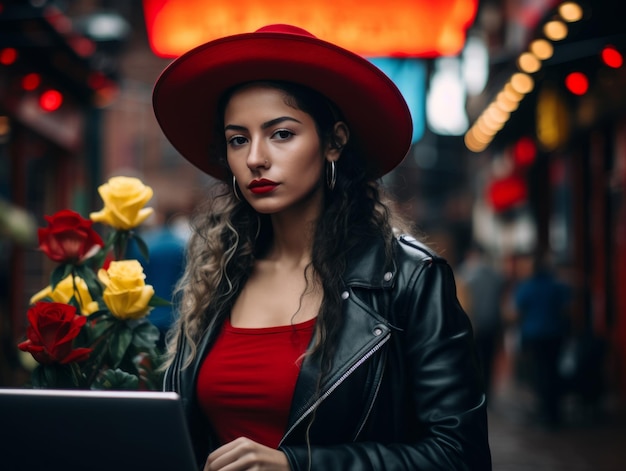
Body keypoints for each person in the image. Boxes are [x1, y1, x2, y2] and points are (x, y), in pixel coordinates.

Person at [152, 24, 491, 470]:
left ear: (334, 142)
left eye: (281, 134)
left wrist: (298, 465)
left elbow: (458, 455)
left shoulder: (408, 279)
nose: (255, 157)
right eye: (238, 139)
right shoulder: (218, 274)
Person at [512, 251, 571, 428]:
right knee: (553, 370)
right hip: (555, 333)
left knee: (540, 372)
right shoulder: (556, 285)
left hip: (534, 335)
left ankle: (544, 412)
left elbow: (515, 311)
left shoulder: (527, 287)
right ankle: (555, 412)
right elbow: (568, 307)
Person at [457, 242, 506, 403]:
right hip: (492, 324)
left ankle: (477, 393)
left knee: (473, 360)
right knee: (489, 359)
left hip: (473, 325)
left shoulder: (463, 274)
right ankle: (489, 393)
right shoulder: (495, 275)